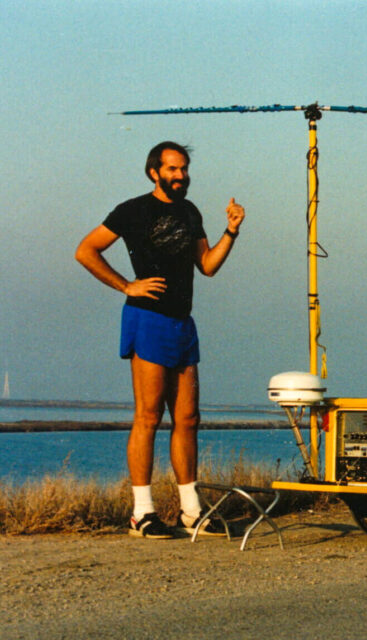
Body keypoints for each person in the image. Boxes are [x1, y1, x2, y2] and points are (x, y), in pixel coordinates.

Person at [75, 141, 245, 539]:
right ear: (154, 171)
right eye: (173, 169)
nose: (181, 176)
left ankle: (191, 513)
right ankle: (142, 513)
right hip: (147, 318)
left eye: (184, 169)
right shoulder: (133, 210)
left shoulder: (190, 212)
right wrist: (125, 285)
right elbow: (86, 250)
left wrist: (231, 232)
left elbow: (207, 266)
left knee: (187, 419)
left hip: (182, 322)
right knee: (148, 417)